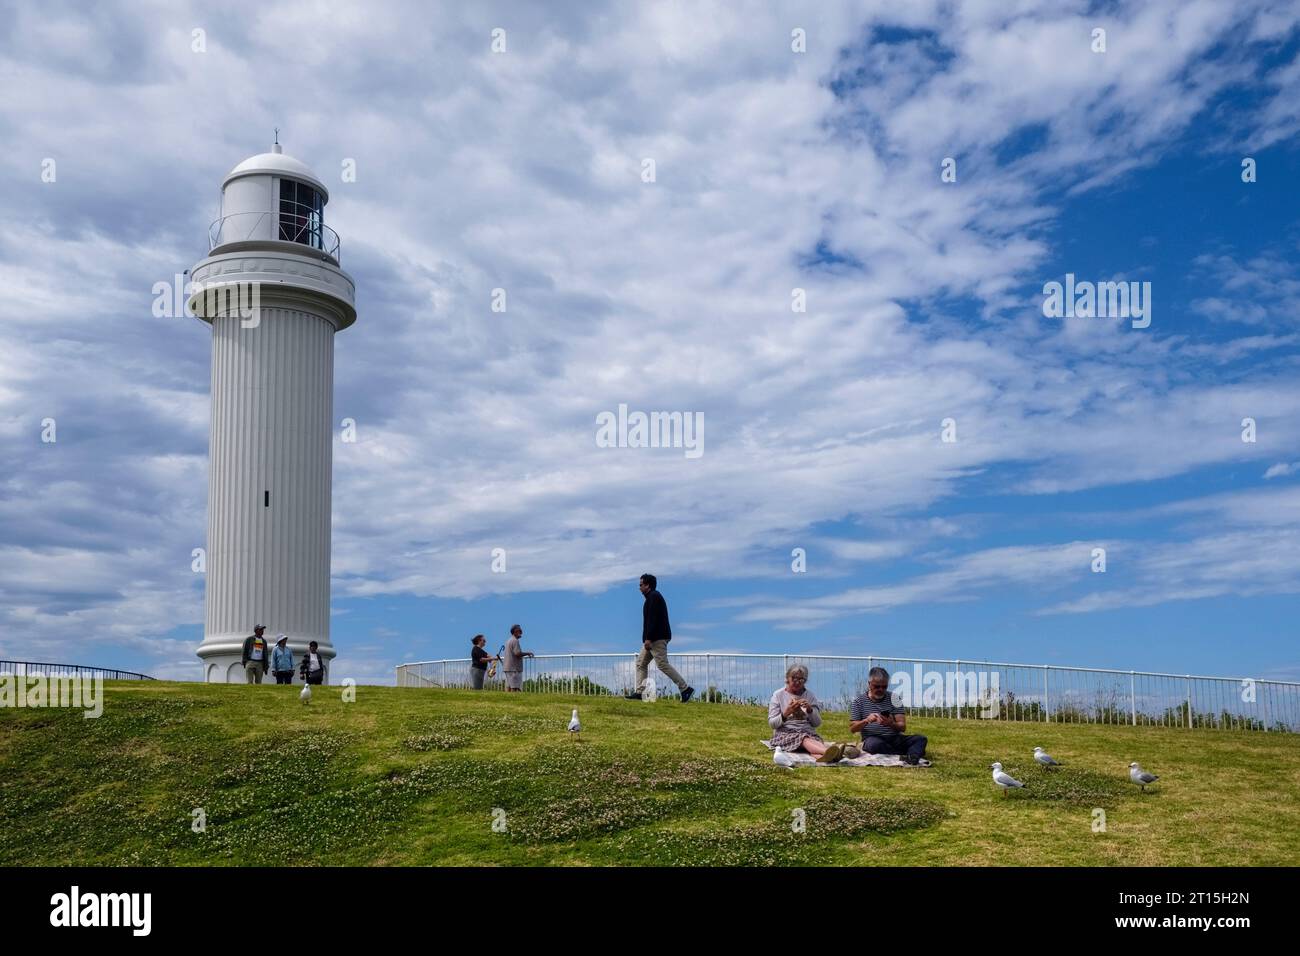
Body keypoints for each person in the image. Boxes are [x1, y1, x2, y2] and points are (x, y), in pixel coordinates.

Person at [625, 573, 694, 702]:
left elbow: (653, 620)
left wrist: (648, 638)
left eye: (641, 585)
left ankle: (685, 688)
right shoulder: (652, 597)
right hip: (653, 638)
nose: (639, 588)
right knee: (641, 663)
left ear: (648, 585)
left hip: (656, 638)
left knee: (662, 664)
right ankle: (640, 692)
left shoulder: (653, 597)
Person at [768, 663, 848, 763]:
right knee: (804, 739)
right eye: (794, 678)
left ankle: (827, 757)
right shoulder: (778, 695)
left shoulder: (810, 695)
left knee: (810, 741)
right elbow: (772, 724)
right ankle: (830, 752)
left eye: (801, 680)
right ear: (787, 678)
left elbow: (817, 723)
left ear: (805, 681)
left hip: (807, 731)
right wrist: (786, 713)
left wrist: (810, 710)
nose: (797, 682)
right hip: (785, 733)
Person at [849, 666, 928, 765]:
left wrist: (890, 723)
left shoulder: (895, 698)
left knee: (920, 739)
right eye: (877, 686)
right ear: (869, 684)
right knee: (874, 745)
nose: (881, 689)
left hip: (894, 738)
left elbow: (902, 727)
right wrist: (866, 720)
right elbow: (853, 729)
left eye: (884, 687)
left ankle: (907, 754)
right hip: (873, 739)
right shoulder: (858, 702)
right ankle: (911, 754)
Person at [501, 625, 534, 692]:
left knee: (509, 686)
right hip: (513, 668)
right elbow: (517, 653)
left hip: (508, 667)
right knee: (514, 687)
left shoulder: (509, 640)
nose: (521, 632)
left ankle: (508, 701)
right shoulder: (515, 641)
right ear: (515, 631)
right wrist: (528, 653)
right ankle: (513, 701)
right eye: (520, 631)